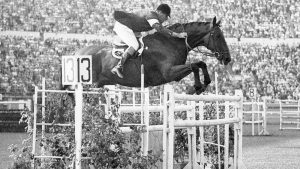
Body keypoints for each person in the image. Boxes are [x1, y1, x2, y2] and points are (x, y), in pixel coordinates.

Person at [111, 4, 187, 78]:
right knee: (135, 45)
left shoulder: (153, 18)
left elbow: (152, 32)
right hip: (122, 26)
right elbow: (159, 28)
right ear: (159, 12)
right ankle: (118, 66)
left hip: (130, 27)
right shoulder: (152, 16)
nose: (166, 19)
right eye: (166, 16)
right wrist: (177, 35)